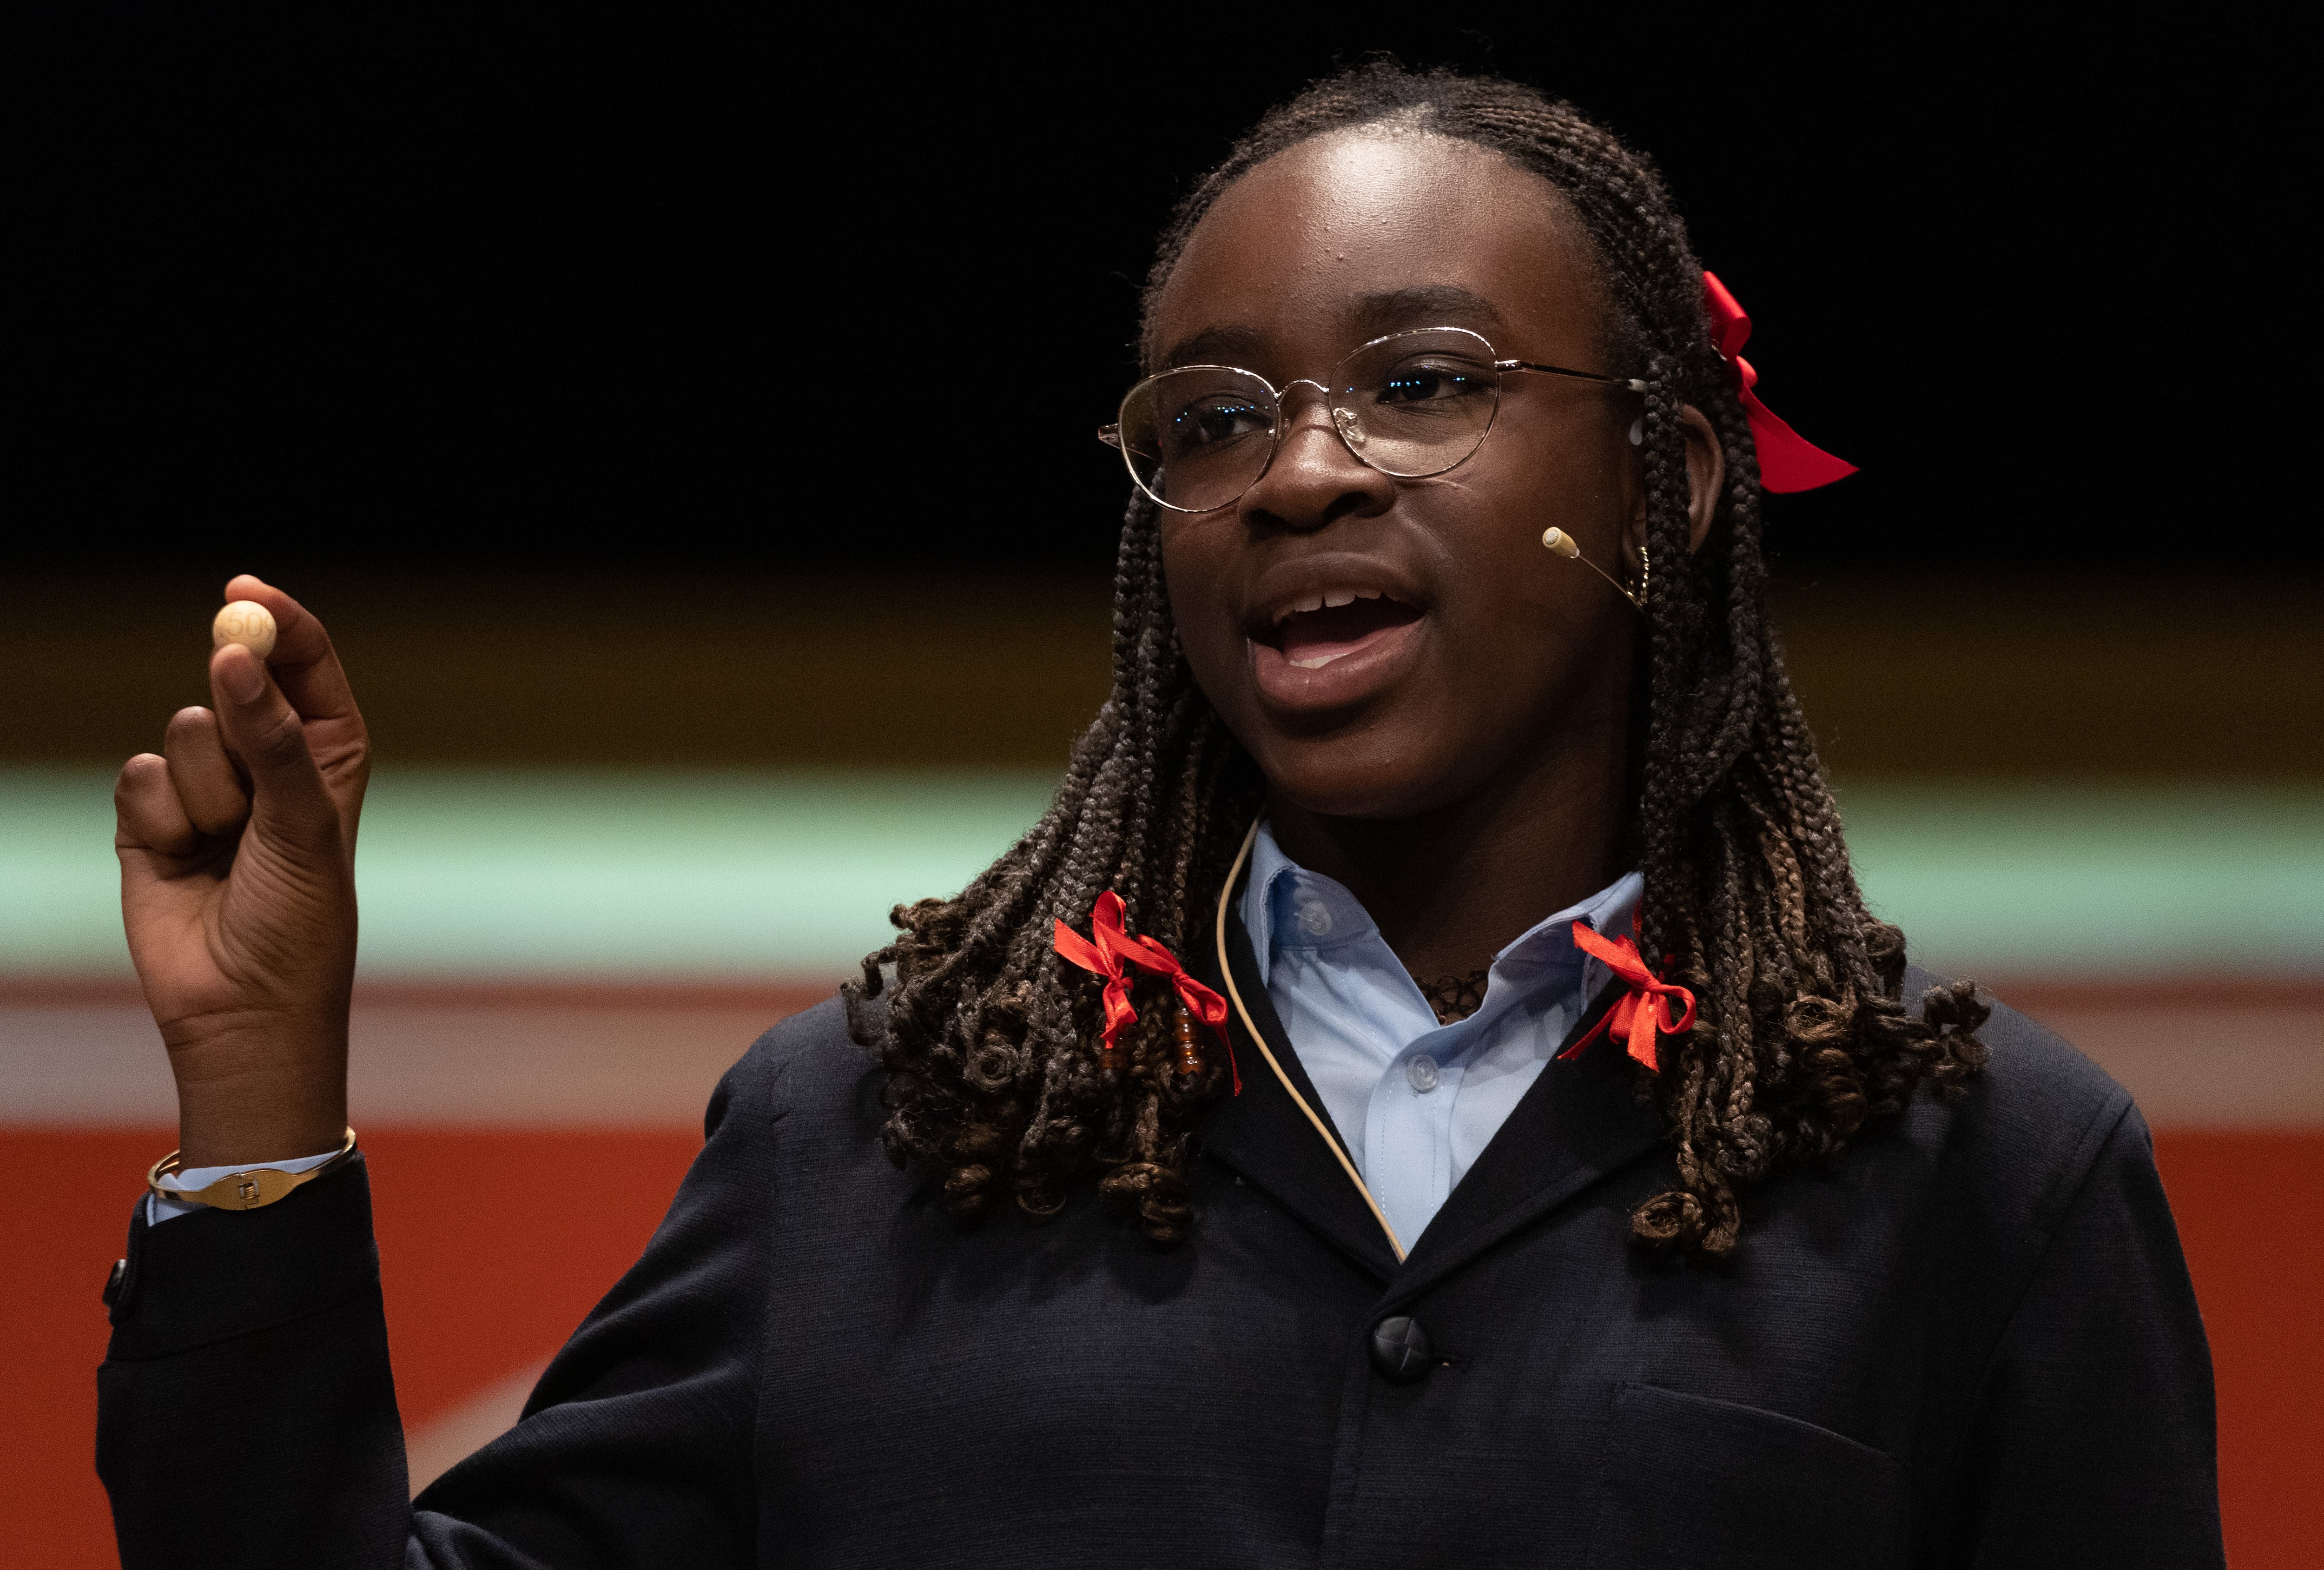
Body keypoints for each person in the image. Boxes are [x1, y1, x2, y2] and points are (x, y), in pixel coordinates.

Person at [97, 62, 2222, 1568]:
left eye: (1422, 379)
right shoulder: (865, 1134)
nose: (1297, 470)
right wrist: (258, 1090)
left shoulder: (1989, 1179)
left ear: (1664, 479)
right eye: (1211, 418)